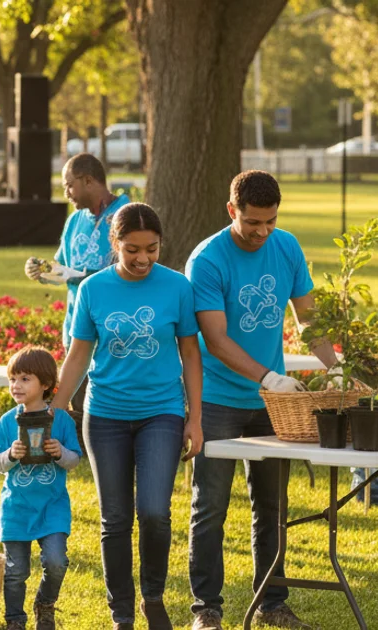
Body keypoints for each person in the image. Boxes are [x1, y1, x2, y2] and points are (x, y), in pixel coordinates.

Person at [185, 171, 339, 630]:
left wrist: (334, 366)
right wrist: (269, 377)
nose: (262, 231)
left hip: (273, 405)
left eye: (270, 221)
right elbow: (215, 339)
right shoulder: (208, 260)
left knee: (271, 506)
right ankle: (207, 609)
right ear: (232, 211)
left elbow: (308, 319)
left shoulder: (286, 246)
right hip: (218, 400)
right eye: (253, 222)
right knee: (209, 505)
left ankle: (272, 604)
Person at [51, 202, 203, 630]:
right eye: (132, 249)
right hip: (106, 416)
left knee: (154, 511)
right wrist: (57, 409)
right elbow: (79, 354)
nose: (142, 259)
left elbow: (190, 353)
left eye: (151, 249)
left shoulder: (177, 287)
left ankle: (152, 598)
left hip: (162, 413)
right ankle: (121, 613)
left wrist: (195, 418)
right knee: (115, 518)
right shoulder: (93, 290)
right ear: (114, 244)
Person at [25, 154, 130, 411]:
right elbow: (62, 266)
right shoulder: (75, 220)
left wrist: (78, 275)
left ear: (88, 181)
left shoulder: (126, 215)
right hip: (76, 328)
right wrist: (41, 270)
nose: (67, 193)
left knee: (109, 409)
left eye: (69, 185)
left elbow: (131, 271)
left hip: (115, 331)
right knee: (79, 403)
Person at [0, 346, 82, 630]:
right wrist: (10, 455)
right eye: (12, 379)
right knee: (15, 571)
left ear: (45, 385)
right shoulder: (6, 423)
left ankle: (45, 603)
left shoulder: (62, 421)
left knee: (56, 561)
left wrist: (60, 452)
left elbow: (74, 460)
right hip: (16, 508)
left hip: (52, 507)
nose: (16, 385)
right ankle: (15, 620)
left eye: (25, 379)